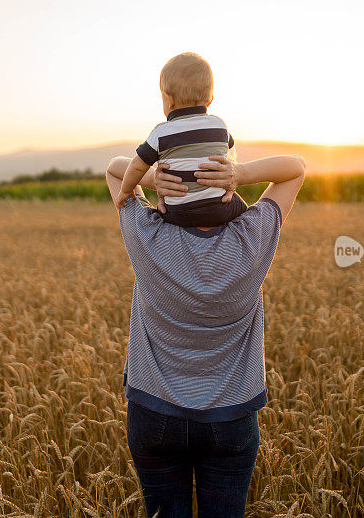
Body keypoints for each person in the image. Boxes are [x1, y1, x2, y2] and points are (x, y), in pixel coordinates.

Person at [106, 150, 306, 517]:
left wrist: (158, 180)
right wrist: (239, 173)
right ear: (226, 188)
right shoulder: (252, 237)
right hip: (231, 417)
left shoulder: (148, 235)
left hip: (153, 411)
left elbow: (116, 169)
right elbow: (295, 169)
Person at [114, 52, 248, 227]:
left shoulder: (161, 132)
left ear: (168, 100)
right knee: (244, 211)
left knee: (160, 209)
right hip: (219, 210)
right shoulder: (220, 126)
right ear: (209, 100)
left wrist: (125, 190)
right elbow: (230, 151)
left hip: (176, 214)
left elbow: (138, 165)